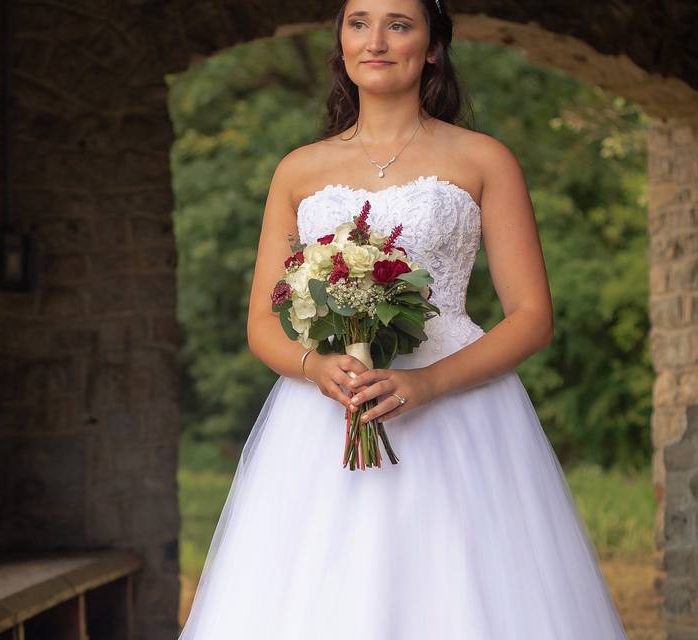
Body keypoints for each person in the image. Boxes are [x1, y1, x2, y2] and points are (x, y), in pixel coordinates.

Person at [178, 0, 629, 637]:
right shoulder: (298, 170)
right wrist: (315, 366)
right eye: (359, 23)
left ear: (433, 47)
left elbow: (531, 316)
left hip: (459, 410)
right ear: (341, 44)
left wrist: (427, 384)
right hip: (324, 413)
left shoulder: (484, 160)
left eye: (399, 24)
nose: (377, 41)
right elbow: (261, 321)